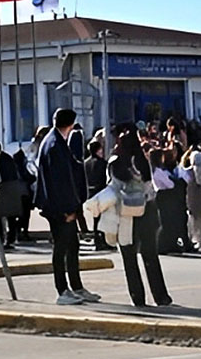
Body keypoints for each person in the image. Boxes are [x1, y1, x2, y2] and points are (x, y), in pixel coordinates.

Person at [36, 108, 100, 305]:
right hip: (59, 207)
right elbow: (59, 181)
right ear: (71, 124)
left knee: (72, 245)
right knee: (62, 247)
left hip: (59, 204)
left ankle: (76, 287)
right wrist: (68, 210)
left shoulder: (54, 140)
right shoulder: (55, 145)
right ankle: (62, 290)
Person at [109, 132, 172, 307]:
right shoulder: (143, 161)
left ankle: (138, 297)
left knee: (129, 258)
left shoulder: (116, 163)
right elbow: (150, 189)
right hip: (147, 211)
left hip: (126, 214)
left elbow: (113, 188)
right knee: (150, 255)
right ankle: (161, 296)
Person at [83, 139, 112, 250]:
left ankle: (97, 240)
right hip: (101, 193)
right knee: (102, 219)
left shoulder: (85, 163)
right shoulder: (103, 163)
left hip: (90, 194)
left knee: (96, 218)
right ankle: (102, 240)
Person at [181, 143, 201, 252]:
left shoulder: (185, 169)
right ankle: (200, 241)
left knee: (192, 217)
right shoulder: (198, 169)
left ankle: (192, 238)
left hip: (190, 195)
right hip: (199, 196)